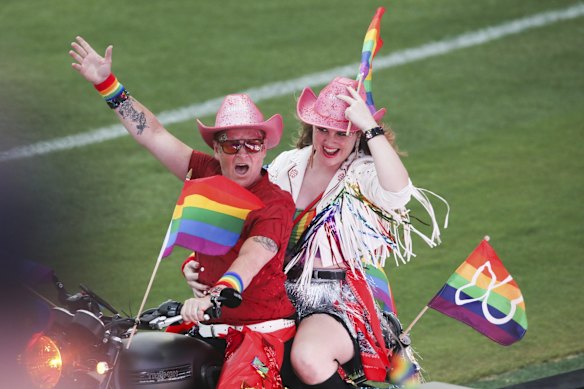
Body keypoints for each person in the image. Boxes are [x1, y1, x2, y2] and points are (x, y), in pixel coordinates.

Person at [69, 36, 298, 387]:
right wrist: (107, 83)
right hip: (208, 324)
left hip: (259, 332)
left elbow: (254, 256)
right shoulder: (205, 171)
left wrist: (219, 292)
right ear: (216, 148)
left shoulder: (276, 201)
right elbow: (154, 135)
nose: (242, 154)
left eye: (251, 143)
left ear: (264, 147)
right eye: (231, 144)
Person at [265, 76, 447, 388]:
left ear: (358, 134)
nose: (330, 140)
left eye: (343, 132)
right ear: (312, 127)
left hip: (335, 300)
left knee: (308, 359)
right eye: (323, 129)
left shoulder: (362, 172)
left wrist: (370, 128)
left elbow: (398, 193)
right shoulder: (287, 164)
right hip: (275, 290)